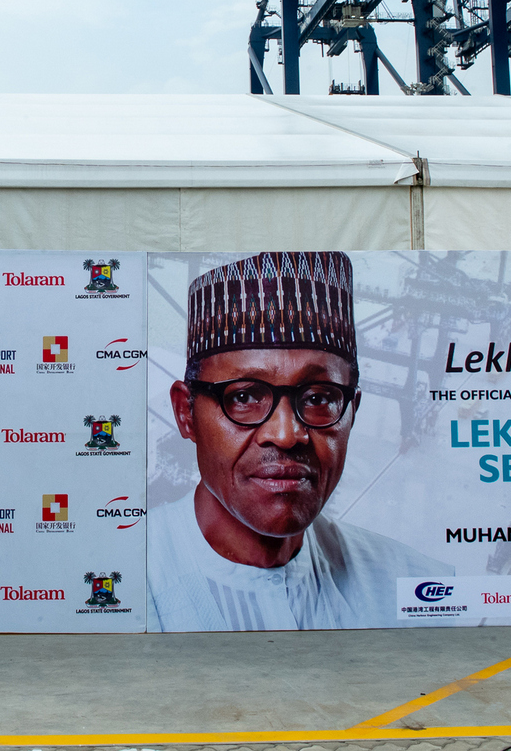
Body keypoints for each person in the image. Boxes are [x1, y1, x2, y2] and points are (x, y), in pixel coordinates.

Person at [148, 250, 449, 631]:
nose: (287, 434)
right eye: (244, 397)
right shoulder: (127, 580)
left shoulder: (414, 587)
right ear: (185, 413)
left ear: (352, 412)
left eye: (319, 399)